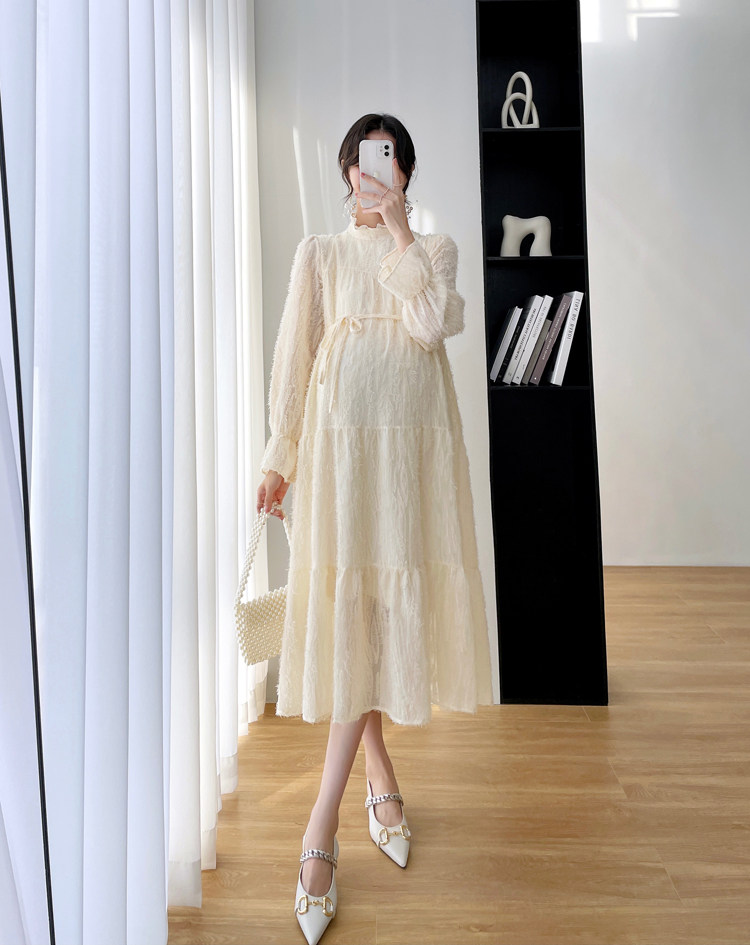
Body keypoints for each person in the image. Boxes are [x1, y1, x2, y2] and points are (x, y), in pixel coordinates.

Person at [256, 113, 494, 945]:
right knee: (356, 613)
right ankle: (340, 805)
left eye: (387, 163)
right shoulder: (319, 254)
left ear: (405, 174)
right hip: (341, 453)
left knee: (386, 615)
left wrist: (400, 233)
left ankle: (348, 797)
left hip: (412, 459)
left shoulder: (434, 252)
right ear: (346, 171)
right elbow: (295, 359)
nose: (372, 175)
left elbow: (430, 325)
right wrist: (279, 455)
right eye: (361, 163)